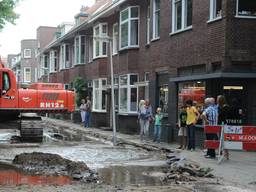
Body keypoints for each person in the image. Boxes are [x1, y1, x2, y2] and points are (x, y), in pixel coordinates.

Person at [217, 95, 230, 160]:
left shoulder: (225, 107)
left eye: (218, 99)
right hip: (219, 124)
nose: (217, 100)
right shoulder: (218, 107)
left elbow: (222, 115)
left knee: (225, 139)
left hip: (224, 124)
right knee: (220, 139)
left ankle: (226, 153)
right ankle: (221, 152)